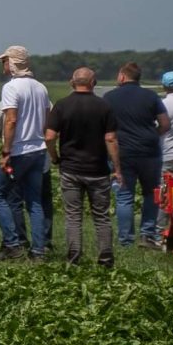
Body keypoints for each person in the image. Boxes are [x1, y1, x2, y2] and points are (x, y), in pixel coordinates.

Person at [50, 66, 120, 268]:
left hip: (71, 169)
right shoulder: (104, 106)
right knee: (101, 216)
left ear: (72, 83)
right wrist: (117, 168)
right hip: (98, 170)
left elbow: (49, 136)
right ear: (93, 83)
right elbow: (111, 139)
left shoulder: (62, 105)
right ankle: (106, 258)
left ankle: (73, 257)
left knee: (73, 216)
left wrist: (55, 157)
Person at [0, 45, 52, 260]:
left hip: (19, 150)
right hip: (39, 149)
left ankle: (12, 243)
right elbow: (46, 119)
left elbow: (11, 120)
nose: (3, 65)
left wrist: (6, 150)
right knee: (34, 201)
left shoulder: (11, 87)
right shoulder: (40, 87)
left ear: (13, 63)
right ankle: (39, 250)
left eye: (5, 61)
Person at [102, 62, 169, 249]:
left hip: (123, 152)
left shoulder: (109, 97)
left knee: (124, 196)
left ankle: (126, 240)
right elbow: (165, 123)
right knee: (151, 194)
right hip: (149, 152)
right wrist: (152, 135)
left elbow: (104, 127)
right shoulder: (151, 96)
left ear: (122, 77)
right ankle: (147, 235)